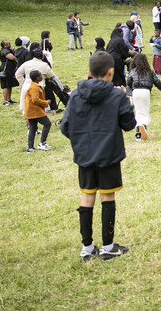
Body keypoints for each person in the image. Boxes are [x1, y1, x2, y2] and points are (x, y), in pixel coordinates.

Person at [60, 51, 136, 261]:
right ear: (111, 73)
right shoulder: (117, 95)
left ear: (89, 72)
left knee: (87, 197)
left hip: (84, 155)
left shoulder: (75, 95)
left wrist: (81, 141)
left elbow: (65, 126)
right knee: (107, 197)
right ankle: (108, 246)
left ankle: (87, 247)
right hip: (109, 155)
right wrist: (127, 103)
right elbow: (129, 125)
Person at [128, 53, 161, 141]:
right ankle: (143, 126)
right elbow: (157, 81)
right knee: (144, 111)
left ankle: (138, 132)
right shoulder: (149, 71)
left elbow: (129, 81)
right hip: (146, 91)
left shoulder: (132, 71)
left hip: (136, 92)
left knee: (138, 111)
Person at [24, 70, 53, 153]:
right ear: (37, 78)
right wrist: (46, 103)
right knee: (47, 124)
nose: (42, 76)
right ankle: (42, 143)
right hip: (35, 111)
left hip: (30, 111)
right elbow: (35, 99)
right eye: (41, 75)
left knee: (33, 128)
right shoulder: (34, 87)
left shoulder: (33, 86)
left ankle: (30, 147)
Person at [0, 39, 18, 106]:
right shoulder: (4, 51)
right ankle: (5, 101)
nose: (10, 44)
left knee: (10, 84)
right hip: (5, 69)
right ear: (5, 45)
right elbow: (11, 58)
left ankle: (9, 99)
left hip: (10, 69)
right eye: (8, 44)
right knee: (5, 85)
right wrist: (15, 55)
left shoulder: (8, 50)